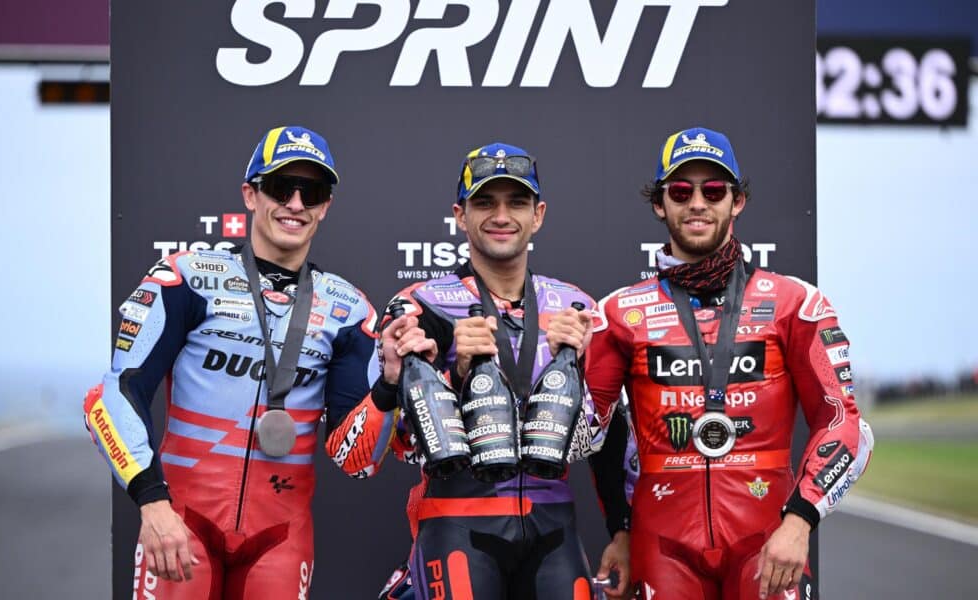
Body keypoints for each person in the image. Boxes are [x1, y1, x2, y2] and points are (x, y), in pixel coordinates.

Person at [83, 125, 378, 598]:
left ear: (326, 205)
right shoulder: (188, 277)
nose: (296, 204)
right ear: (250, 194)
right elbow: (112, 396)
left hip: (280, 539)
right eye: (282, 187)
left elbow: (355, 458)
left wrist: (390, 390)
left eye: (313, 191)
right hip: (180, 524)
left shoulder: (349, 310)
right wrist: (152, 503)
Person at [325, 142, 626, 599]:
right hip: (457, 524)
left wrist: (579, 371)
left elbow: (597, 441)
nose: (501, 215)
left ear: (538, 215)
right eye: (484, 202)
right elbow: (359, 460)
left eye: (517, 202)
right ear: (459, 215)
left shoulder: (575, 305)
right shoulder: (420, 306)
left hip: (554, 528)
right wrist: (452, 379)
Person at [586, 127, 874, 600]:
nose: (697, 202)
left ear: (736, 201)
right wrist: (620, 531)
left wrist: (801, 521)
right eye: (681, 191)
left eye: (713, 190)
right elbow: (596, 436)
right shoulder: (616, 314)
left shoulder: (794, 303)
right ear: (661, 205)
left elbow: (845, 426)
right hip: (662, 545)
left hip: (767, 541)